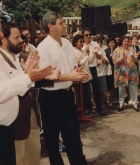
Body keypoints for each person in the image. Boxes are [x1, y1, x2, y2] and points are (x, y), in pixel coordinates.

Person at [0, 12, 53, 165]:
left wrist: (30, 73)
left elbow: (15, 79)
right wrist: (28, 76)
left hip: (3, 132)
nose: (1, 34)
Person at [0, 23, 59, 165]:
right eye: (17, 37)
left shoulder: (23, 57)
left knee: (33, 158)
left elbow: (29, 82)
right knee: (18, 159)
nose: (21, 40)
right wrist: (29, 75)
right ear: (4, 39)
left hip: (30, 116)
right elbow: (8, 87)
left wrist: (47, 77)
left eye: (21, 36)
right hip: (14, 122)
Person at [37, 11, 92, 165]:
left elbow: (71, 66)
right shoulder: (43, 48)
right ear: (51, 26)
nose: (65, 25)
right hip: (50, 98)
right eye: (61, 22)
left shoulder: (67, 43)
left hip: (66, 96)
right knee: (52, 139)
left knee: (73, 134)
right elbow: (44, 76)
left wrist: (77, 72)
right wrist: (70, 77)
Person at [83, 27, 107, 117]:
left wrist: (96, 53)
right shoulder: (82, 44)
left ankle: (99, 109)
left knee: (96, 89)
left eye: (89, 34)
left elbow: (100, 57)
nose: (88, 36)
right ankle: (87, 109)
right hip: (85, 68)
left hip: (93, 68)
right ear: (83, 35)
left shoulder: (95, 43)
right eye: (86, 35)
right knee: (86, 91)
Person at [113, 36, 140, 112]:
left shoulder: (132, 49)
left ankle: (135, 104)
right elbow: (115, 62)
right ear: (122, 41)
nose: (126, 43)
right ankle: (121, 104)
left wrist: (132, 56)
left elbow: (136, 61)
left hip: (132, 72)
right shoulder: (117, 50)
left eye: (127, 41)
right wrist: (122, 57)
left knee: (133, 88)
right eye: (125, 41)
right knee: (121, 89)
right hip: (122, 73)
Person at [72, 34, 94, 117]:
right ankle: (79, 114)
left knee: (87, 96)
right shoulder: (73, 52)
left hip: (86, 76)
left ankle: (85, 111)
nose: (82, 43)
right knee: (80, 97)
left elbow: (90, 61)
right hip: (79, 78)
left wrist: (91, 54)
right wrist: (87, 56)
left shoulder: (84, 51)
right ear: (75, 43)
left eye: (83, 41)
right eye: (80, 41)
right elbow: (80, 63)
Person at [105, 37, 117, 106]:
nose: (112, 44)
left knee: (113, 86)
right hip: (108, 70)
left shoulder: (117, 50)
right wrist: (111, 55)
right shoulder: (105, 51)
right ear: (108, 44)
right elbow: (106, 61)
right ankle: (106, 99)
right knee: (108, 85)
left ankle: (111, 100)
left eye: (113, 42)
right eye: (110, 43)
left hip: (116, 69)